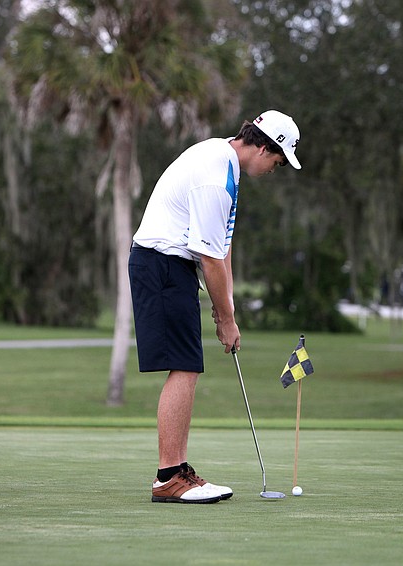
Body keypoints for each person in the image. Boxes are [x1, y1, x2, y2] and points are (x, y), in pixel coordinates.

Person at [129, 110, 302, 503]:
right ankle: (169, 478)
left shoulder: (223, 160)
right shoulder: (215, 177)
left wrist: (230, 310)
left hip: (169, 265)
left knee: (187, 363)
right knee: (186, 365)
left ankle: (176, 469)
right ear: (262, 147)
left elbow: (222, 248)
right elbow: (208, 258)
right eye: (277, 160)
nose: (275, 169)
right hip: (162, 264)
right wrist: (225, 320)